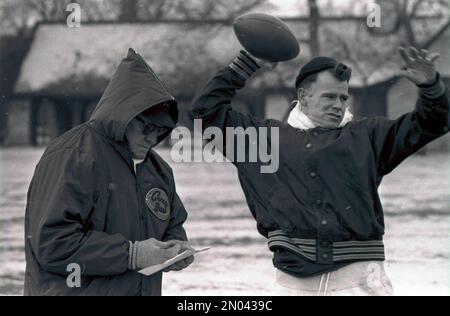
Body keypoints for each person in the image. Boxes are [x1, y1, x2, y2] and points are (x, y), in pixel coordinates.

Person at [192, 47, 449, 296]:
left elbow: (431, 124)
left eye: (343, 98)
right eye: (329, 96)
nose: (338, 105)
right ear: (303, 96)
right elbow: (205, 113)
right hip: (292, 282)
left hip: (360, 280)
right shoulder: (261, 141)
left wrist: (432, 88)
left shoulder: (368, 137)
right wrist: (245, 64)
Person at [24, 48, 194, 296]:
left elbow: (172, 223)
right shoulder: (73, 155)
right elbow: (52, 244)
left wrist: (175, 247)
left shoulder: (158, 170)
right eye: (147, 127)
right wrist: (131, 254)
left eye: (161, 130)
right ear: (124, 116)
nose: (153, 136)